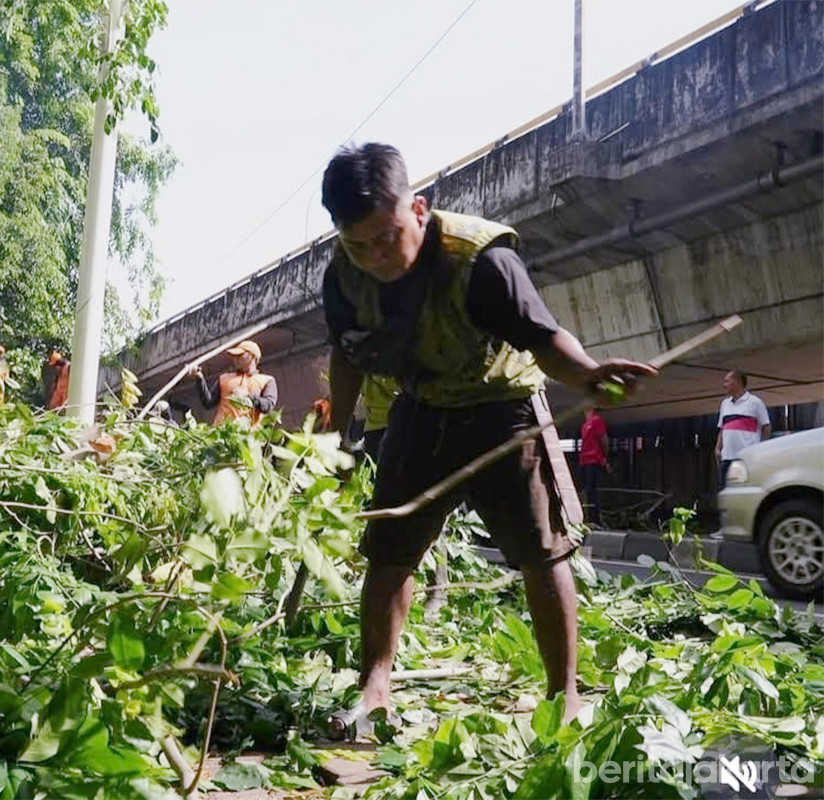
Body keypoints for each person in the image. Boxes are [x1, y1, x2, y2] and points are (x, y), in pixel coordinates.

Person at [319, 143, 657, 732]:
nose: (376, 256)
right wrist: (335, 437)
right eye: (358, 244)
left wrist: (587, 375)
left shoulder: (481, 261)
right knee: (388, 551)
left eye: (387, 236)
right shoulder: (345, 277)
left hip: (504, 405)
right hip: (422, 408)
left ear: (419, 210)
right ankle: (374, 687)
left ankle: (563, 697)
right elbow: (346, 356)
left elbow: (543, 337)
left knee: (541, 550)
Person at [189, 340, 278, 425]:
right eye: (235, 356)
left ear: (252, 357)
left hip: (249, 436)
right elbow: (208, 403)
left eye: (240, 355)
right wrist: (199, 378)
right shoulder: (224, 379)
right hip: (222, 433)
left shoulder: (267, 380)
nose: (235, 358)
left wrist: (248, 396)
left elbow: (268, 406)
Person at [715, 369, 770, 488]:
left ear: (738, 382)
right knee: (725, 489)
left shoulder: (755, 402)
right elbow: (722, 428)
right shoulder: (725, 404)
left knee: (741, 490)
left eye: (727, 381)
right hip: (727, 457)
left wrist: (760, 448)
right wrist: (718, 448)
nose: (725, 385)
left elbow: (766, 426)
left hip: (745, 458)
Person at [578, 407, 611, 527]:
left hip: (594, 460)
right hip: (584, 461)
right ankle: (587, 517)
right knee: (585, 490)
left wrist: (604, 458)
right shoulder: (585, 424)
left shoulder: (597, 420)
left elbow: (604, 440)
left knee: (592, 491)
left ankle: (595, 520)